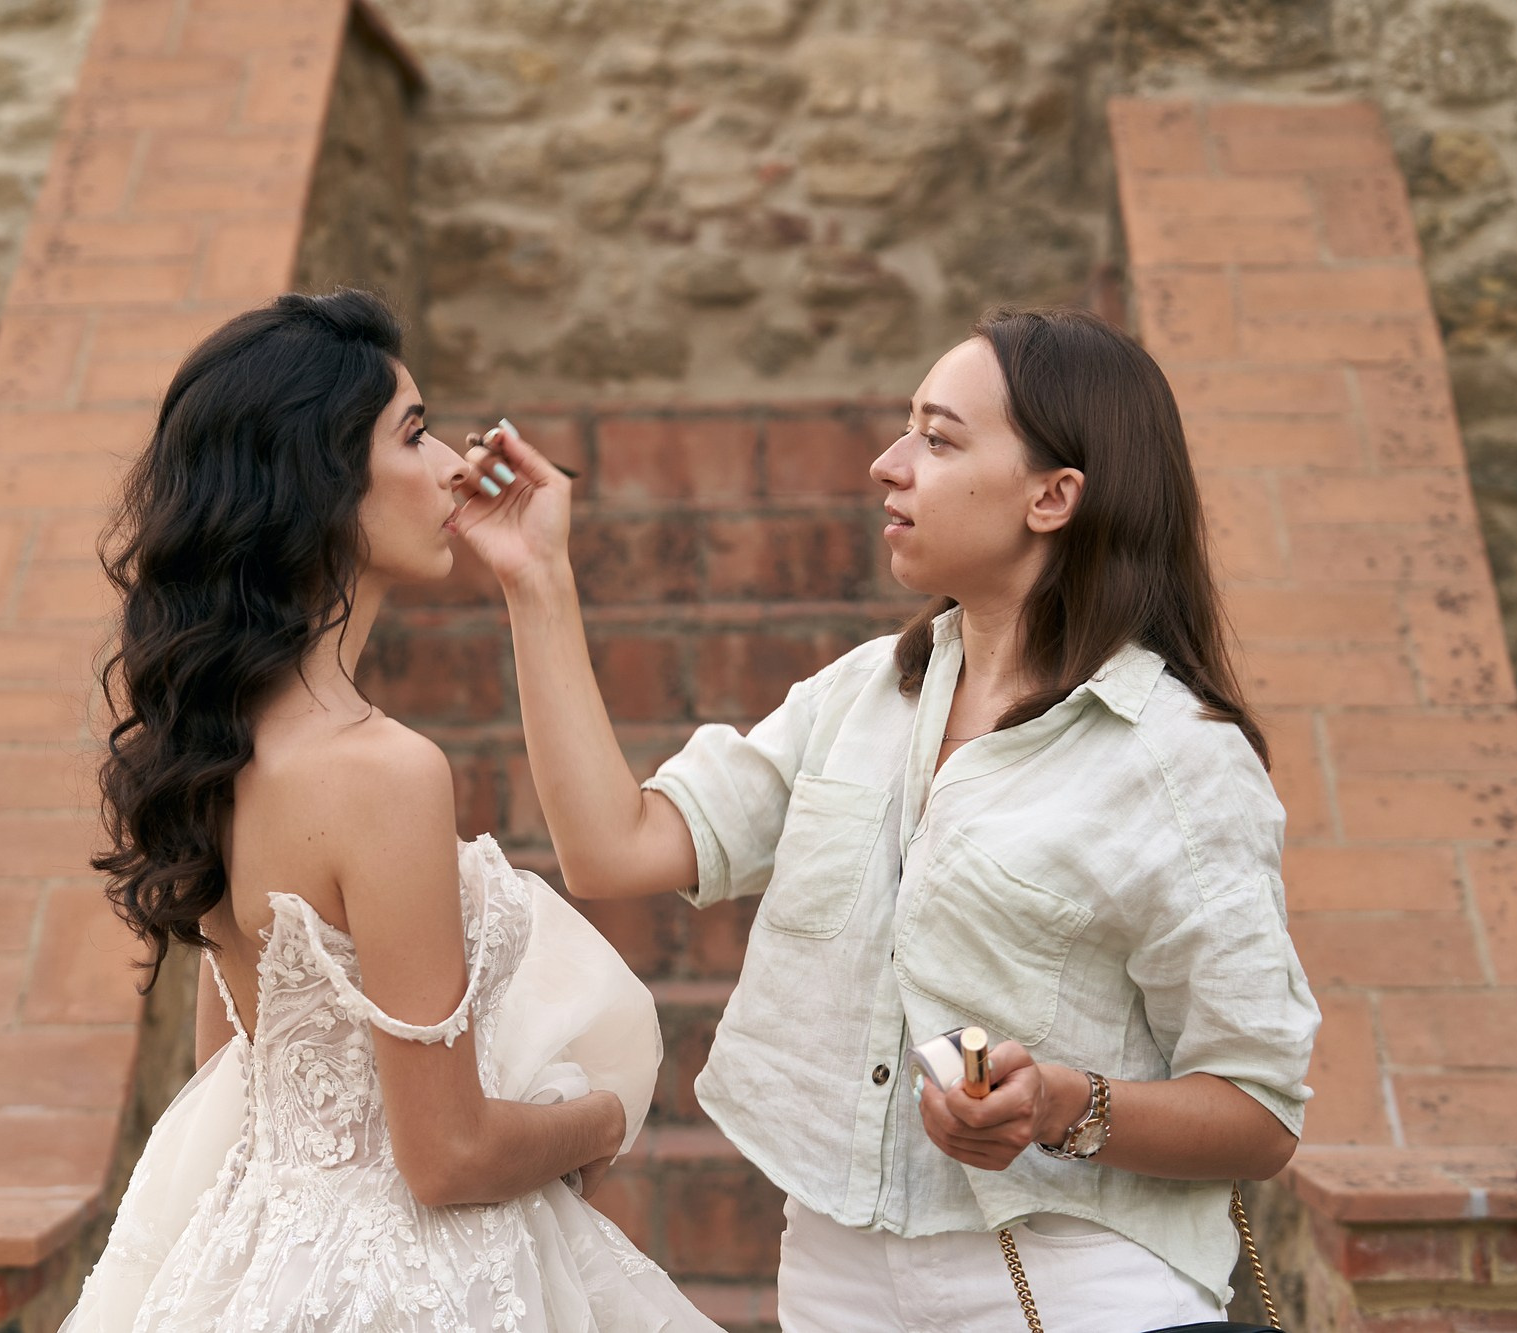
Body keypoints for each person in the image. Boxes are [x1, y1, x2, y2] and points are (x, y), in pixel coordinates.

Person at [451, 307, 1321, 1331]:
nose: (886, 462)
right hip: (833, 1271)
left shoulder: (1176, 756)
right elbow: (612, 846)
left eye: (937, 437)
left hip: (1076, 1276)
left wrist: (1059, 1103)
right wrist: (535, 581)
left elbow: (1258, 1110)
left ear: (1053, 496)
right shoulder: (862, 694)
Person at [64, 289, 722, 1333]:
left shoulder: (214, 748)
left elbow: (229, 1078)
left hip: (253, 1265)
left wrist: (533, 570)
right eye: (413, 434)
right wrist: (595, 1116)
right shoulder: (382, 771)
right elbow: (446, 1156)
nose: (458, 467)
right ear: (318, 480)